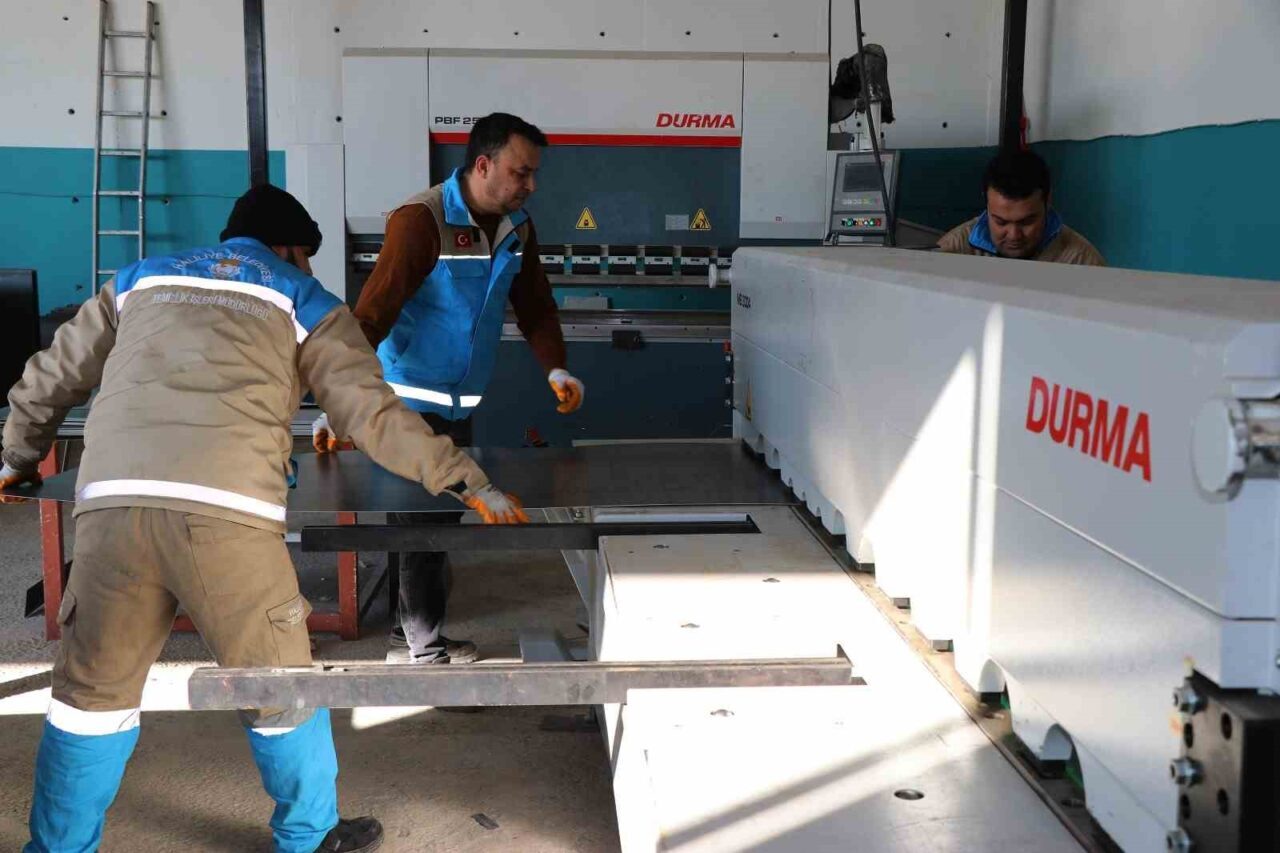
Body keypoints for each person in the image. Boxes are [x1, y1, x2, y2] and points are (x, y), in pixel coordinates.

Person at [0, 185, 528, 853]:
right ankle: (307, 838)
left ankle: (56, 848)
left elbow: (48, 378)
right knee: (280, 687)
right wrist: (469, 481)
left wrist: (15, 459)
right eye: (305, 256)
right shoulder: (303, 296)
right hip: (229, 516)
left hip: (112, 508)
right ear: (289, 249)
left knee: (89, 699)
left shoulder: (138, 280)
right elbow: (372, 413)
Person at [313, 112, 584, 665]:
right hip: (408, 403)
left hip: (459, 403)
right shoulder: (422, 220)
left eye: (533, 173)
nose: (531, 185)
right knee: (424, 526)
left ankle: (407, 638)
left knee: (427, 523)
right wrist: (341, 404)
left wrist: (556, 368)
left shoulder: (517, 227)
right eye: (521, 172)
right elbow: (372, 316)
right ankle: (423, 653)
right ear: (483, 165)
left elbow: (535, 306)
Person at [936, 148, 1106, 266]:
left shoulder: (1082, 261)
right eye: (1001, 222)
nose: (1014, 235)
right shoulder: (952, 251)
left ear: (1048, 202)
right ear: (986, 203)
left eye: (1026, 222)